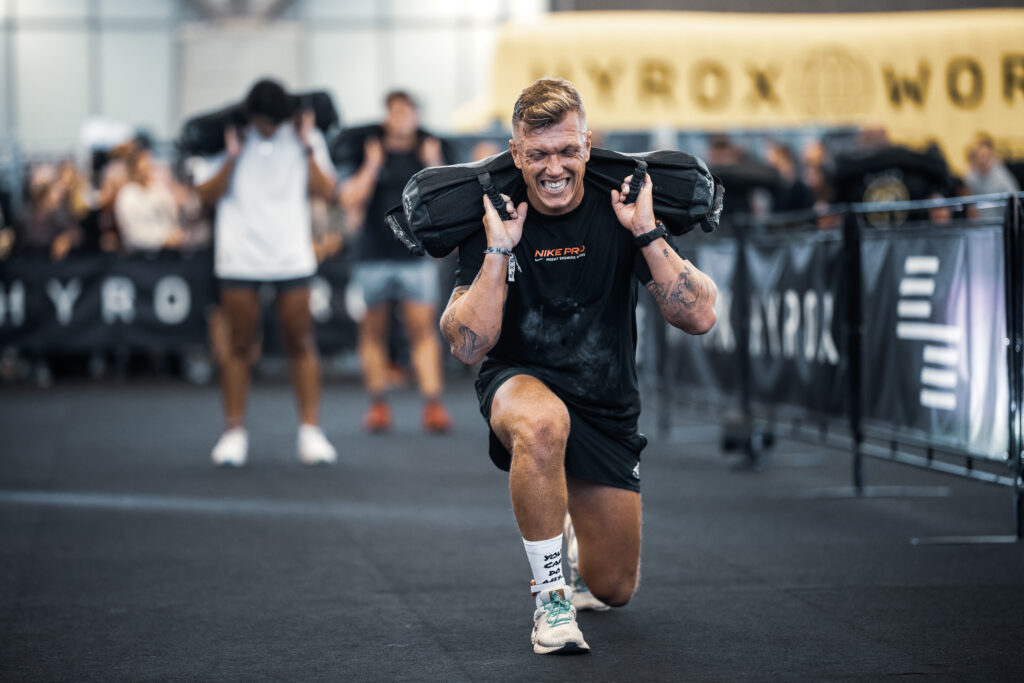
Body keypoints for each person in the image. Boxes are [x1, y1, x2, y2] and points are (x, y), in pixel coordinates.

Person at [439, 78, 717, 654]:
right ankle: (551, 601)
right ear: (516, 154)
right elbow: (468, 345)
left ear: (588, 145)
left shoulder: (623, 205)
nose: (554, 168)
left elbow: (701, 317)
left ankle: (566, 522)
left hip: (605, 398)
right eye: (538, 154)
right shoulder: (495, 209)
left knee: (616, 588)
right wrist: (498, 250)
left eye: (568, 151)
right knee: (542, 427)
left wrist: (645, 231)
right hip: (520, 380)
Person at [194, 78, 338, 467]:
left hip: (291, 254)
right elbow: (204, 195)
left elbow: (327, 189)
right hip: (239, 254)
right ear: (251, 116)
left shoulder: (305, 136)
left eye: (274, 122)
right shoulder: (227, 136)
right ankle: (233, 433)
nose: (269, 129)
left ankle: (310, 433)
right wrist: (232, 156)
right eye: (262, 122)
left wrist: (308, 145)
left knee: (301, 342)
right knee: (238, 345)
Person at [338, 91, 452, 434]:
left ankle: (433, 405)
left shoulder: (429, 151)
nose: (401, 118)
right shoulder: (368, 150)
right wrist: (372, 165)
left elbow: (449, 205)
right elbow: (348, 199)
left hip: (414, 258)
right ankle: (377, 405)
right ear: (386, 115)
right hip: (373, 255)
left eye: (407, 111)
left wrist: (434, 165)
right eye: (395, 111)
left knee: (423, 331)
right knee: (373, 333)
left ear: (416, 116)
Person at [115, 146, 187, 253]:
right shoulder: (127, 194)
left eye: (150, 165)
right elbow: (134, 234)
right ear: (134, 169)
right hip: (141, 256)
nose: (148, 169)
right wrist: (163, 240)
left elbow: (172, 217)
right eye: (144, 167)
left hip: (166, 252)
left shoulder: (158, 188)